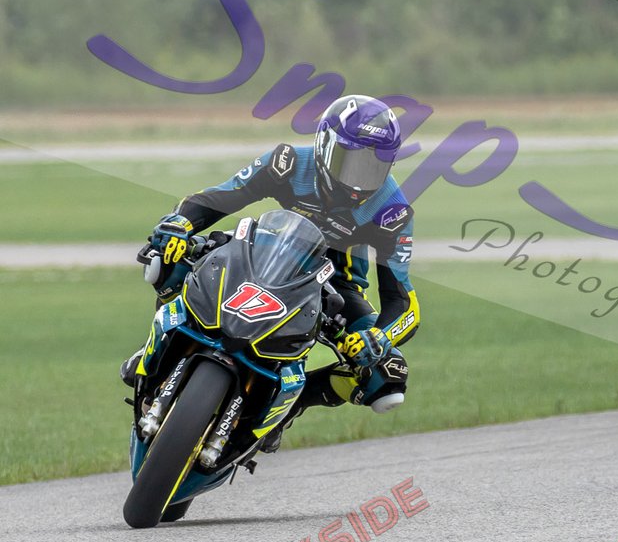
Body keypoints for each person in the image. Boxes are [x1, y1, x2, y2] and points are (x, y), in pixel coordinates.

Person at [123, 94, 419, 449]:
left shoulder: (392, 211)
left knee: (388, 376)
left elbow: (403, 302)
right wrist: (179, 223)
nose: (359, 181)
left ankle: (290, 406)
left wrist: (379, 338)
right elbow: (219, 196)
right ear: (324, 144)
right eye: (351, 162)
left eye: (373, 167)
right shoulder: (288, 162)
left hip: (333, 288)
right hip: (261, 253)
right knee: (166, 255)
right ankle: (158, 347)